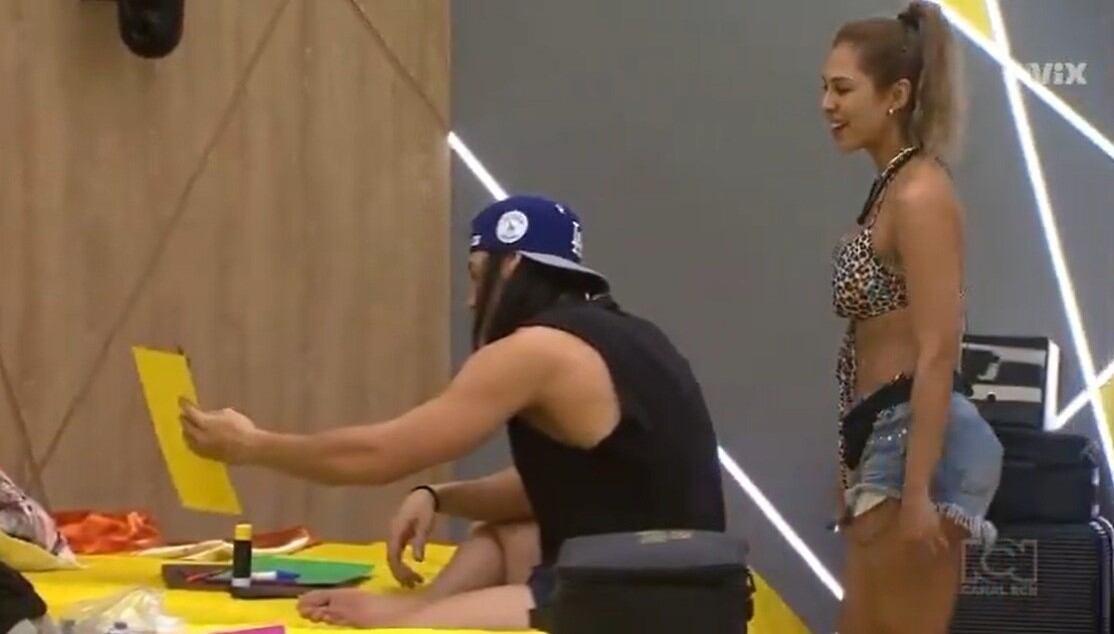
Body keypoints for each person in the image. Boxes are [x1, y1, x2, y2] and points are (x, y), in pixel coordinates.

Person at [179, 195, 727, 630]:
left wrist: (251, 446)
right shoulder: (630, 335)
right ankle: (424, 605)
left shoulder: (535, 351)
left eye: (476, 274)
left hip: (633, 598)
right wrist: (440, 496)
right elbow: (582, 484)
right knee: (500, 533)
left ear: (512, 266)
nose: (470, 299)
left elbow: (378, 454)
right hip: (687, 581)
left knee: (399, 625)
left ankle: (413, 616)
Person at [820, 2, 1004, 632]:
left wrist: (920, 488)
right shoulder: (890, 190)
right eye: (825, 88)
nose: (827, 104)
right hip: (882, 435)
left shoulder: (922, 194)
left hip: (916, 442)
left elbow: (938, 348)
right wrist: (850, 456)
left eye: (843, 89)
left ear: (896, 95)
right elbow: (862, 343)